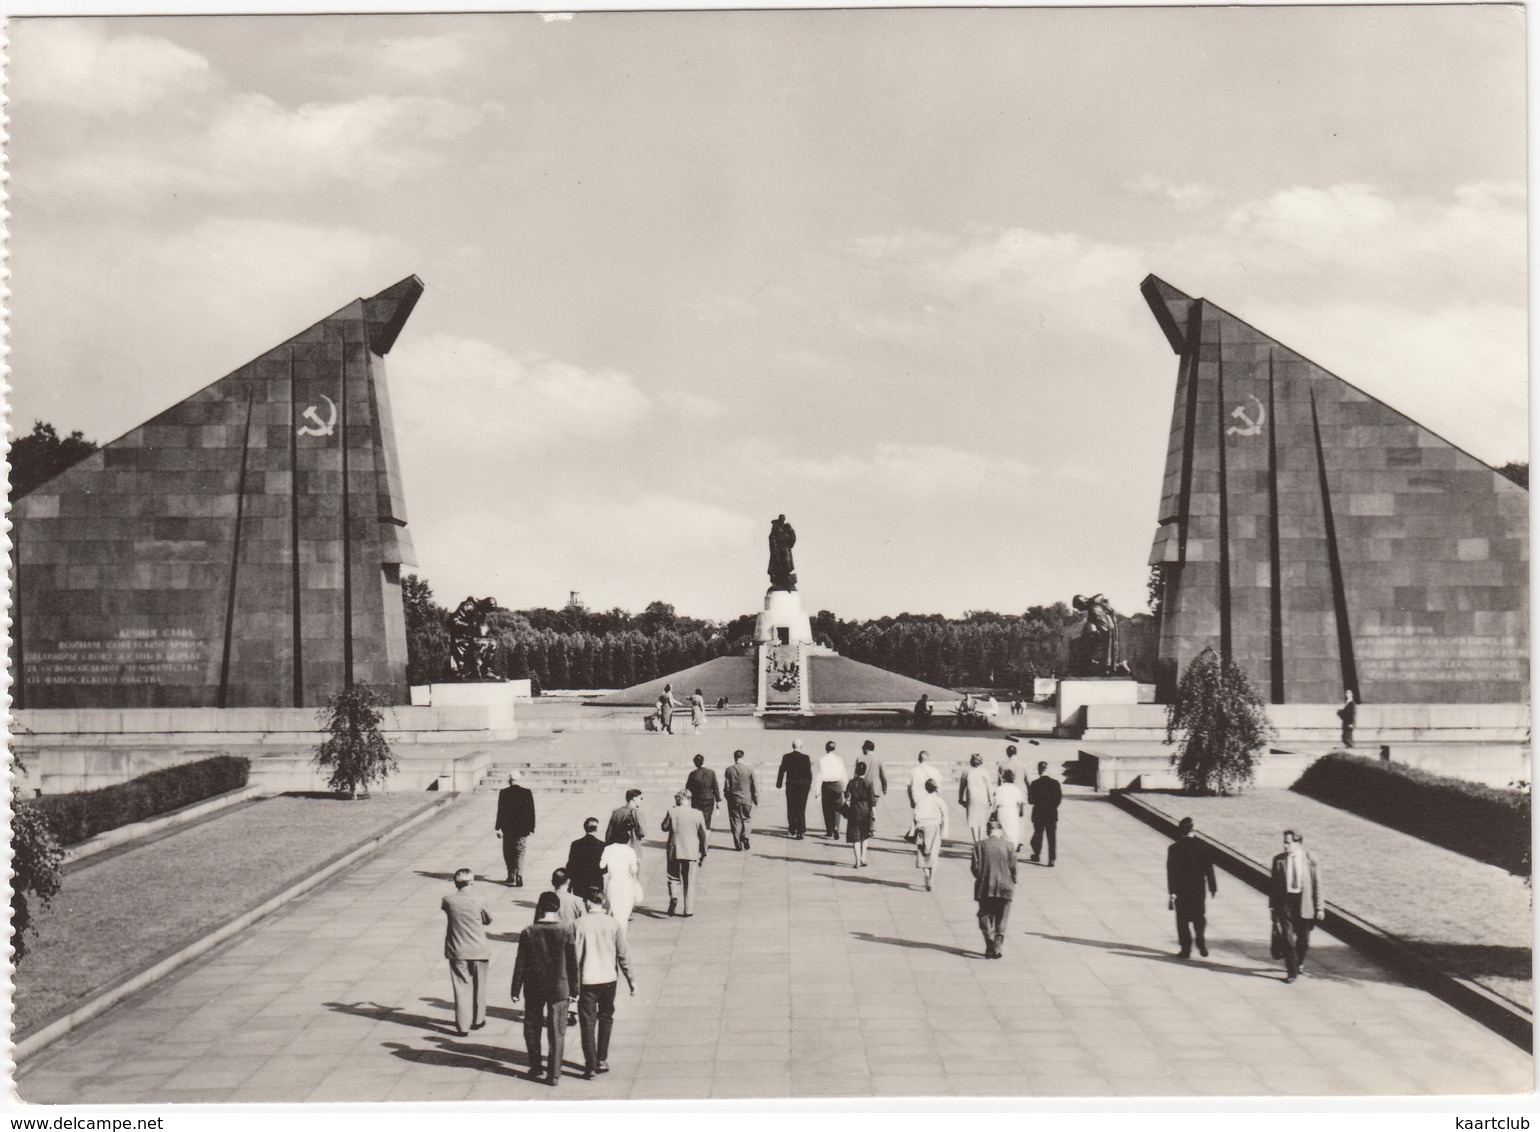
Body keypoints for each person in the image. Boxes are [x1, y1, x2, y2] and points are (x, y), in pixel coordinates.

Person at [510, 891, 579, 1085]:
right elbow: (573, 964)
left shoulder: (529, 931)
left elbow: (520, 963)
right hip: (559, 987)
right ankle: (554, 1073)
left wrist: (515, 989)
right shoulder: (566, 931)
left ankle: (536, 1065)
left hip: (534, 987)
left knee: (532, 1028)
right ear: (557, 908)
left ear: (539, 907)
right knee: (557, 1030)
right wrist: (575, 990)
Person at [573, 886, 635, 1079]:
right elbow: (622, 955)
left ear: (588, 902)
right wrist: (631, 979)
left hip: (587, 979)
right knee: (606, 1018)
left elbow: (574, 957)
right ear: (602, 902)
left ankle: (590, 1066)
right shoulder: (613, 924)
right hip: (609, 979)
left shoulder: (578, 924)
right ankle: (602, 1058)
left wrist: (571, 986)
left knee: (587, 1023)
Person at [440, 868, 492, 1036]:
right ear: (472, 882)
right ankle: (478, 1019)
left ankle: (463, 1026)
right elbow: (488, 919)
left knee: (461, 987)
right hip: (479, 948)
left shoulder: (448, 900)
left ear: (456, 883)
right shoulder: (480, 899)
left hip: (457, 949)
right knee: (480, 985)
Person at [1269, 829, 1324, 983]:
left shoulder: (1310, 859)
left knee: (1303, 941)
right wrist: (1272, 908)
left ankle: (1299, 962)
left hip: (1304, 903)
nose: (1285, 846)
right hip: (1286, 904)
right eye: (1284, 842)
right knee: (1287, 939)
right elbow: (1273, 886)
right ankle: (1291, 972)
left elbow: (1317, 884)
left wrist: (1319, 907)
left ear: (1298, 843)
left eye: (1288, 842)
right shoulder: (1279, 860)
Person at [1167, 817, 1218, 959]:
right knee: (1199, 917)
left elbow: (1171, 872)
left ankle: (1186, 949)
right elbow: (1209, 869)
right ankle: (1200, 940)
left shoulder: (1174, 848)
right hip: (1198, 889)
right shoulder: (1204, 847)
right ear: (1193, 829)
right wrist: (1213, 887)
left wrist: (1172, 892)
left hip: (1182, 889)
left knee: (1182, 920)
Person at [971, 818, 1017, 958]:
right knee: (1002, 916)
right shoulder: (1009, 846)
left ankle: (989, 941)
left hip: (985, 886)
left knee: (984, 914)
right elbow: (1013, 867)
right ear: (1000, 831)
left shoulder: (979, 845)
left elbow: (975, 868)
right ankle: (998, 943)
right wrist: (1013, 880)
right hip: (1005, 886)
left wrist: (981, 878)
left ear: (987, 831)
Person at [661, 790, 708, 916]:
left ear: (681, 799)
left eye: (676, 797)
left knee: (673, 876)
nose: (675, 800)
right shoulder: (697, 814)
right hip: (691, 851)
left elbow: (664, 827)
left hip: (674, 850)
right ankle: (688, 910)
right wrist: (704, 851)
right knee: (690, 881)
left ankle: (674, 896)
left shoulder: (672, 811)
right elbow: (703, 834)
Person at [494, 771, 537, 887]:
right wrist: (532, 827)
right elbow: (531, 811)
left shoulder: (504, 793)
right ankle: (519, 874)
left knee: (508, 852)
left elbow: (500, 811)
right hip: (522, 829)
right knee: (520, 852)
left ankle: (511, 874)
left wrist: (498, 828)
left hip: (508, 829)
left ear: (509, 780)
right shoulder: (526, 792)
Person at [912, 778, 950, 891]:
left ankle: (926, 874)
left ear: (926, 788)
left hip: (922, 827)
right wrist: (945, 831)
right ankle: (931, 878)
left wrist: (916, 827)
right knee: (934, 853)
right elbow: (945, 815)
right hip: (934, 827)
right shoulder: (939, 800)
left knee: (922, 852)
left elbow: (915, 815)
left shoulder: (921, 800)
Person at [600, 828, 642, 926]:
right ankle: (622, 935)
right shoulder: (630, 851)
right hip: (626, 883)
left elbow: (601, 865)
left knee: (612, 910)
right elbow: (634, 870)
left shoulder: (608, 849)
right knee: (624, 912)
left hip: (613, 882)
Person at [723, 748, 759, 851]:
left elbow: (727, 787)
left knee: (736, 821)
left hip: (734, 799)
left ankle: (738, 844)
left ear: (734, 758)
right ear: (743, 757)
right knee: (746, 819)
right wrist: (756, 798)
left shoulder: (729, 770)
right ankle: (746, 837)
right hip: (747, 799)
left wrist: (728, 798)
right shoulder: (750, 769)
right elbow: (754, 785)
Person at [777, 739, 813, 839]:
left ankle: (792, 827)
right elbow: (808, 773)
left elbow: (782, 770)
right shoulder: (805, 758)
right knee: (801, 808)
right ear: (801, 746)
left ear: (792, 746)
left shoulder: (787, 757)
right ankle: (800, 830)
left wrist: (779, 784)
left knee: (791, 807)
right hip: (802, 787)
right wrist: (808, 785)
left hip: (791, 786)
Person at [1028, 760, 1062, 866]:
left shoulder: (1034, 783)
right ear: (1047, 769)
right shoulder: (1055, 783)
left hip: (1038, 813)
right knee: (1051, 837)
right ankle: (1052, 858)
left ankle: (1037, 854)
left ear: (1039, 770)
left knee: (1038, 834)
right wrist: (1051, 807)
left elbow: (1031, 801)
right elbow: (1058, 799)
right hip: (1051, 814)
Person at [844, 761, 876, 868]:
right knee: (865, 835)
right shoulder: (869, 782)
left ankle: (857, 860)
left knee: (856, 837)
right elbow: (872, 801)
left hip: (854, 810)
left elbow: (847, 795)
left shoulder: (851, 782)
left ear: (856, 770)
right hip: (866, 810)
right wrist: (874, 814)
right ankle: (863, 857)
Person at [905, 750, 943, 840]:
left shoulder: (913, 771)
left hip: (917, 797)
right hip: (931, 796)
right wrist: (940, 799)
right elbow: (939, 786)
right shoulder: (934, 770)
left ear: (919, 759)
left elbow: (909, 787)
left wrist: (911, 799)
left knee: (918, 816)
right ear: (928, 759)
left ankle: (917, 834)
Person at [566, 817, 607, 898]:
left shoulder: (576, 844)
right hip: (595, 881)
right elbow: (605, 867)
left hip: (579, 882)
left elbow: (571, 864)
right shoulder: (602, 845)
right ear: (596, 829)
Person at [815, 741, 848, 839]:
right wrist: (846, 788)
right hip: (837, 785)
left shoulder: (821, 760)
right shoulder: (839, 759)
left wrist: (817, 791)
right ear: (834, 748)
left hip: (826, 786)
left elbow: (818, 776)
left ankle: (829, 830)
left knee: (827, 808)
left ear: (826, 748)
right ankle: (836, 826)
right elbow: (843, 774)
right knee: (837, 807)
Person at [960, 753, 995, 843]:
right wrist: (991, 799)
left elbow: (962, 786)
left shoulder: (967, 772)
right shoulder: (985, 772)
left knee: (973, 821)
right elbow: (989, 787)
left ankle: (976, 841)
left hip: (972, 799)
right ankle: (981, 840)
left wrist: (960, 798)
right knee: (982, 821)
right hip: (983, 799)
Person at [684, 753, 723, 836]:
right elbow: (715, 787)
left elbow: (687, 788)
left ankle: (699, 838)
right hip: (708, 799)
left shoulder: (692, 774)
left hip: (696, 800)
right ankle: (705, 841)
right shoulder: (711, 773)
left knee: (697, 820)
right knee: (706, 820)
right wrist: (718, 800)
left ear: (695, 763)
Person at [606, 789, 647, 860]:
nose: (641, 800)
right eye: (640, 798)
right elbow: (642, 833)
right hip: (633, 849)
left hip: (618, 850)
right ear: (634, 798)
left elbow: (609, 833)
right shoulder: (637, 813)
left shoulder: (616, 812)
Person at [857, 739, 888, 833]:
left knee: (863, 807)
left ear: (866, 748)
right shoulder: (878, 759)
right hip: (875, 788)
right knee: (872, 807)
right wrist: (884, 787)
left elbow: (856, 774)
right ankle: (872, 828)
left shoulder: (860, 759)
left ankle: (864, 827)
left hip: (862, 787)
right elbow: (883, 775)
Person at [993, 767, 1025, 852]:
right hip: (1013, 811)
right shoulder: (1016, 788)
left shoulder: (1000, 788)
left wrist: (993, 812)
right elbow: (1020, 802)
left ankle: (1004, 849)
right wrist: (1021, 812)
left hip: (1002, 810)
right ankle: (1012, 848)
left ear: (1004, 778)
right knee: (1013, 830)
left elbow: (995, 803)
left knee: (1003, 830)